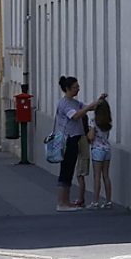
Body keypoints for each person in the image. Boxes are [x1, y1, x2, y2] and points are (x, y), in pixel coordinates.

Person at [54, 76, 103, 212]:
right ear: (68, 89)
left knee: (68, 171)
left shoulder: (75, 102)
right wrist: (87, 108)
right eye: (75, 87)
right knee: (66, 170)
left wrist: (99, 101)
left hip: (74, 139)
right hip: (68, 139)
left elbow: (88, 108)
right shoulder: (65, 104)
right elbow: (75, 116)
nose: (78, 89)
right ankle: (61, 202)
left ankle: (66, 201)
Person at [88, 98, 113, 209]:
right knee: (106, 176)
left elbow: (91, 136)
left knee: (97, 176)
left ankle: (95, 201)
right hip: (107, 149)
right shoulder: (108, 122)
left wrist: (89, 134)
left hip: (97, 150)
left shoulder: (93, 121)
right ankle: (108, 201)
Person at [73, 115, 91, 207]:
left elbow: (78, 149)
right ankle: (81, 198)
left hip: (82, 158)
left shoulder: (81, 136)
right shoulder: (85, 134)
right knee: (80, 177)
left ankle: (81, 199)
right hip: (84, 157)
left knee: (80, 177)